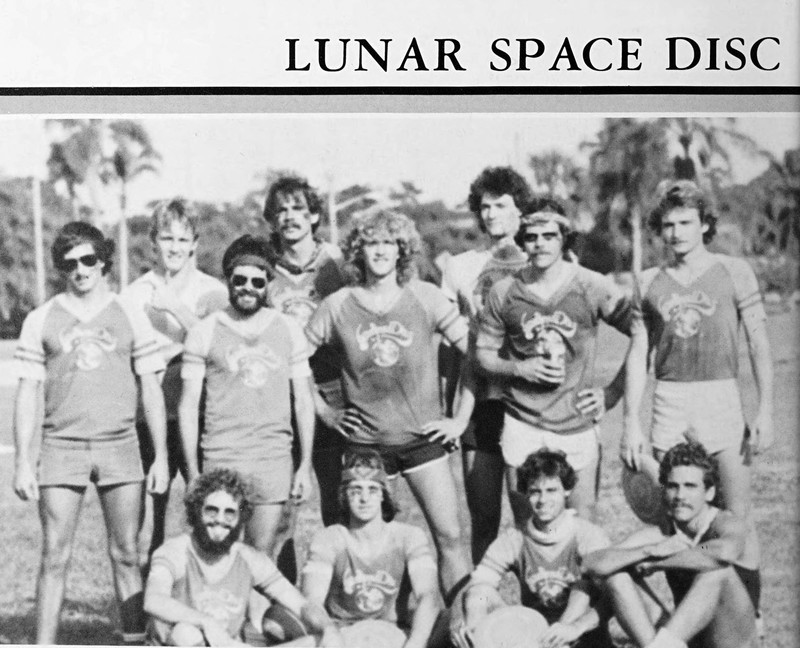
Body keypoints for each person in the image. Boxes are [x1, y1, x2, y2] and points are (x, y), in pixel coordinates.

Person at [305, 209, 474, 605]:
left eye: (388, 243)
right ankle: (376, 626)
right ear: (357, 251)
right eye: (371, 243)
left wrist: (459, 420)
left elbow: (474, 355)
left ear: (402, 250)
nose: (380, 251)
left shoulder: (426, 296)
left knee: (450, 537)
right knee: (369, 547)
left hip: (423, 440)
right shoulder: (337, 304)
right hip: (366, 446)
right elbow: (296, 360)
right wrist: (324, 411)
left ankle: (463, 621)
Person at [12, 221, 169, 644]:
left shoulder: (129, 313)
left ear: (103, 261)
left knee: (126, 553)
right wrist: (23, 462)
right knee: (54, 554)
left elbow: (151, 389)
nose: (80, 269)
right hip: (61, 446)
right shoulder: (41, 318)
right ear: (60, 268)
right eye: (69, 263)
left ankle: (134, 638)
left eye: (88, 259)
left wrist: (160, 457)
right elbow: (27, 392)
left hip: (120, 445)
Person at [622, 180, 773, 614]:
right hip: (670, 399)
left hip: (721, 395)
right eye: (668, 225)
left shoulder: (734, 270)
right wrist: (631, 420)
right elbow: (638, 353)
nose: (676, 233)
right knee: (676, 517)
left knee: (736, 516)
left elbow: (758, 343)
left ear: (705, 224)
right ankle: (689, 619)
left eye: (686, 223)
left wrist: (766, 408)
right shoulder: (648, 280)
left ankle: (751, 616)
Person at [476, 196, 647, 519]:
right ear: (522, 240)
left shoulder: (591, 285)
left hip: (576, 421)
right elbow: (483, 355)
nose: (540, 244)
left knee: (582, 522)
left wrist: (612, 393)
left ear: (563, 238)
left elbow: (643, 334)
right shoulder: (504, 291)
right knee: (528, 524)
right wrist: (519, 368)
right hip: (522, 421)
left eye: (549, 236)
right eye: (532, 236)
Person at [178, 235, 315, 606]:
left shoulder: (288, 329)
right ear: (228, 280)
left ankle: (253, 627)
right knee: (218, 551)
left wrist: (304, 465)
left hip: (273, 457)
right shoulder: (205, 331)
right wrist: (193, 472)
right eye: (240, 280)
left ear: (268, 282)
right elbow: (188, 407)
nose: (248, 288)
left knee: (262, 553)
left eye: (257, 281)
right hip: (222, 456)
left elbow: (303, 401)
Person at [123, 198, 227, 563]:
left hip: (202, 414)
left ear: (195, 243)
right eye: (167, 238)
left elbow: (221, 348)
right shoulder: (134, 294)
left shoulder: (213, 291)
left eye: (183, 240)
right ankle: (147, 587)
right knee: (149, 521)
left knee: (208, 510)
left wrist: (174, 307)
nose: (175, 247)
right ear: (153, 241)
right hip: (151, 416)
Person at [439, 166, 531, 563]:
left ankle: (534, 596)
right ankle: (482, 596)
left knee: (530, 515)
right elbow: (451, 345)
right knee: (484, 518)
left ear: (520, 209)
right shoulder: (460, 267)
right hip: (478, 400)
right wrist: (448, 407)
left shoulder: (539, 259)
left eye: (501, 205)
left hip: (528, 400)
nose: (491, 214)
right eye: (485, 207)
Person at [584, 441, 759, 648]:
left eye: (690, 486)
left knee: (716, 572)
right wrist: (648, 551)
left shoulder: (725, 523)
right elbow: (591, 564)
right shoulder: (663, 533)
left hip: (732, 641)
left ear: (709, 493)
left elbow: (723, 552)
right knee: (617, 575)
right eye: (673, 486)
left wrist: (657, 563)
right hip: (687, 640)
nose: (680, 496)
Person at [144, 468, 339, 646]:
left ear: (241, 518)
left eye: (230, 513)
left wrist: (328, 628)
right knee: (186, 633)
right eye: (211, 510)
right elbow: (153, 600)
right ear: (196, 511)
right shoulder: (176, 551)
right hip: (181, 642)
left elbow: (301, 605)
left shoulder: (248, 558)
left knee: (317, 641)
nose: (220, 520)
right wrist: (205, 622)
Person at [453, 449, 613, 648]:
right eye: (536, 491)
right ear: (526, 493)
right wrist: (462, 621)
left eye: (551, 490)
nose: (543, 500)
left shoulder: (588, 535)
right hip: (535, 634)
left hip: (582, 635)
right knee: (479, 593)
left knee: (584, 585)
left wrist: (576, 627)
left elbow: (613, 598)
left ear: (567, 490)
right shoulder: (515, 538)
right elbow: (478, 583)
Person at [262, 175, 349, 526]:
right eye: (281, 210)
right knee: (282, 501)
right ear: (272, 220)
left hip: (333, 386)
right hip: (283, 392)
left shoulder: (337, 263)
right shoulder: (264, 268)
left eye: (298, 208)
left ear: (313, 215)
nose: (289, 217)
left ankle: (338, 564)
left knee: (336, 494)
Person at [301, 448, 440, 648]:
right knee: (276, 624)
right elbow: (312, 601)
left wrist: (416, 642)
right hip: (343, 633)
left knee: (456, 621)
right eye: (356, 490)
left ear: (384, 495)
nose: (364, 499)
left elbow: (428, 595)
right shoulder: (329, 539)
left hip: (396, 632)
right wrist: (330, 634)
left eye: (373, 490)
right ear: (344, 495)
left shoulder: (408, 537)